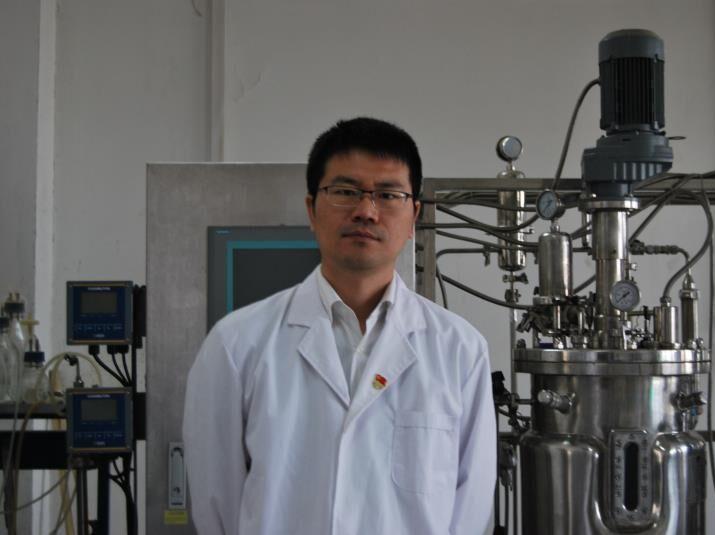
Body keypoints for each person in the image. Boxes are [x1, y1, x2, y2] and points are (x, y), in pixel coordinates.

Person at [183, 117, 496, 534]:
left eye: (388, 195)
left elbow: (470, 509)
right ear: (312, 209)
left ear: (413, 217)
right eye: (345, 192)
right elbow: (216, 507)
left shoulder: (460, 351)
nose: (366, 211)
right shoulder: (236, 345)